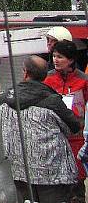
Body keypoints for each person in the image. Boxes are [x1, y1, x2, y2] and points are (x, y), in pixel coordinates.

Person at [0, 55, 80, 203]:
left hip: (17, 171)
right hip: (51, 174)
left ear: (25, 73)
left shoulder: (4, 99)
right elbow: (73, 126)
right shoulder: (52, 101)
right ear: (44, 76)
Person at [45, 40, 88, 201]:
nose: (55, 60)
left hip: (76, 139)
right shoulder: (47, 79)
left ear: (70, 60)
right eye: (54, 56)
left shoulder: (83, 80)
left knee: (77, 184)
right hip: (53, 137)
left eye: (60, 57)